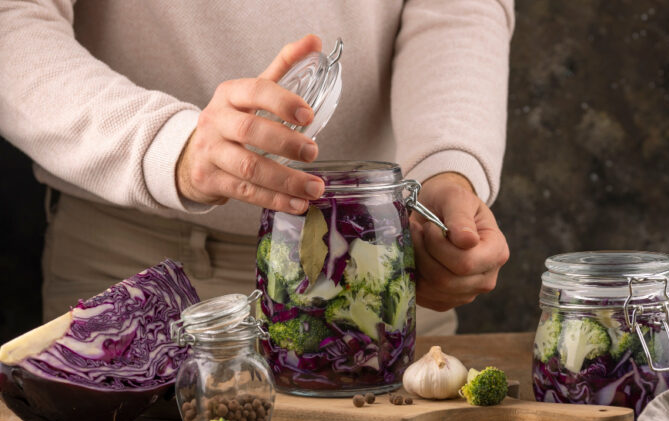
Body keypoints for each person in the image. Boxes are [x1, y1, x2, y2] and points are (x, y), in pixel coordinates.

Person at [0, 1, 514, 335]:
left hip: (376, 267)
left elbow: (458, 9)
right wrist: (168, 146)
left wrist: (447, 170)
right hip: (130, 264)